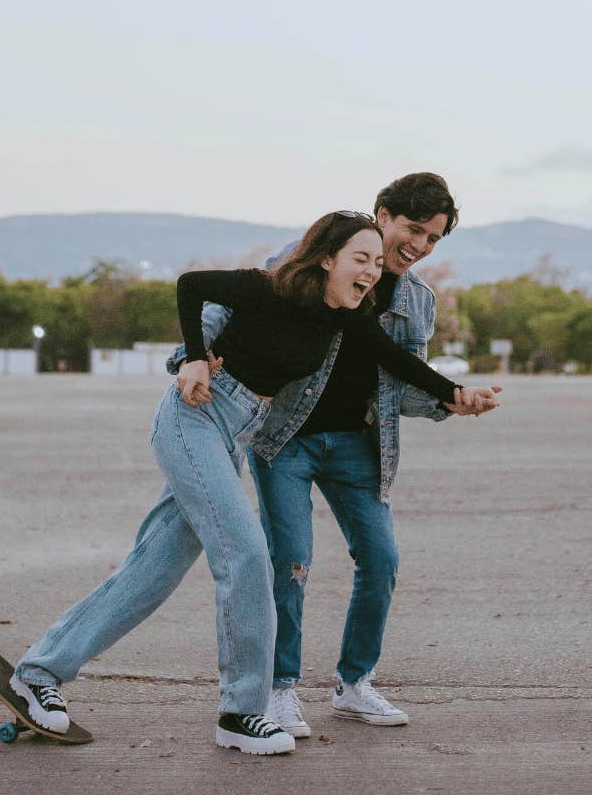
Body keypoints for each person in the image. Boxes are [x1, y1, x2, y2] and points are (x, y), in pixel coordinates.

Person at [10, 210, 498, 755]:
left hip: (235, 435)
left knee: (152, 568)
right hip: (195, 416)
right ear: (326, 259)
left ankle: (40, 671)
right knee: (245, 552)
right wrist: (193, 358)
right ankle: (242, 712)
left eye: (377, 264)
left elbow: (395, 362)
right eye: (361, 259)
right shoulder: (271, 289)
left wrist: (456, 395)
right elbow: (192, 286)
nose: (371, 273)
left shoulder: (346, 316)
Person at [175, 172, 497, 739]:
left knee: (382, 559)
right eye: (414, 230)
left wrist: (454, 398)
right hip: (285, 438)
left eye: (435, 240)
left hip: (360, 444)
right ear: (382, 214)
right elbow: (219, 308)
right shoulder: (309, 257)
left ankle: (354, 685)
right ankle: (278, 692)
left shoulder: (417, 300)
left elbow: (403, 376)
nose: (420, 247)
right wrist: (190, 358)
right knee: (291, 563)